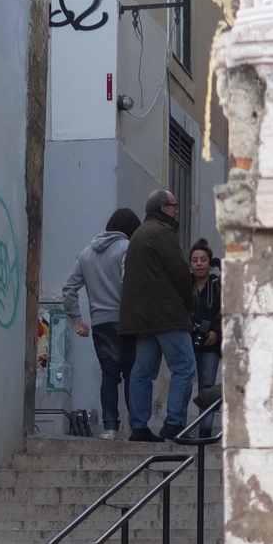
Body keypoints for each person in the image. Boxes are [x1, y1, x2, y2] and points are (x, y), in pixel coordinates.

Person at [118, 188, 197, 442]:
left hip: (142, 318)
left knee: (142, 371)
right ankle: (174, 423)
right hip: (167, 314)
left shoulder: (139, 234)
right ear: (163, 208)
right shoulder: (163, 233)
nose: (176, 211)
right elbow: (180, 273)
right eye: (174, 206)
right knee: (184, 366)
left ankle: (139, 426)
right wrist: (190, 305)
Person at [62, 207, 141, 439]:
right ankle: (135, 425)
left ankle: (110, 427)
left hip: (99, 325)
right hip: (126, 322)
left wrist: (77, 319)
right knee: (132, 374)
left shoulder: (86, 254)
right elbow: (130, 282)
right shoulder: (127, 248)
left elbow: (68, 289)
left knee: (109, 374)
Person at [190, 239, 222, 438]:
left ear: (210, 263)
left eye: (203, 260)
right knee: (184, 382)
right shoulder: (185, 285)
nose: (199, 264)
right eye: (194, 260)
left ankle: (205, 429)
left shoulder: (217, 285)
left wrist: (216, 331)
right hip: (187, 339)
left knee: (207, 387)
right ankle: (178, 424)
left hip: (210, 343)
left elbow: (225, 311)